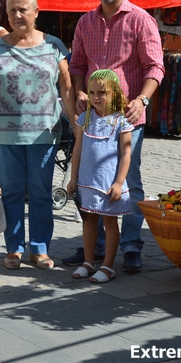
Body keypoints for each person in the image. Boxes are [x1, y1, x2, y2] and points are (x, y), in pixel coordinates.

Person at [66, 0, 164, 273]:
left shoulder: (141, 21)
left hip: (127, 118)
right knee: (90, 178)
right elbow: (77, 65)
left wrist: (143, 100)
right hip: (94, 118)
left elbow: (155, 68)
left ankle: (132, 247)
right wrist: (80, 92)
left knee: (129, 180)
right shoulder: (85, 23)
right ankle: (93, 247)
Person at [0, 0, 75, 270]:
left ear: (36, 12)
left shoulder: (54, 46)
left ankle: (40, 249)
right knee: (12, 192)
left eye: (23, 10)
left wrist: (77, 124)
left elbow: (66, 86)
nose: (17, 15)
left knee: (41, 192)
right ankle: (14, 248)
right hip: (4, 136)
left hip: (45, 133)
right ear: (5, 15)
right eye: (11, 11)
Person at [66, 69, 132, 283]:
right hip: (87, 181)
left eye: (102, 92)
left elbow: (126, 153)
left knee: (110, 222)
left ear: (115, 94)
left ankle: (108, 266)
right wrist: (73, 178)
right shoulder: (84, 118)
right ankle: (88, 262)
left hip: (108, 182)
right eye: (92, 92)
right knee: (88, 220)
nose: (96, 97)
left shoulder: (120, 121)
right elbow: (77, 149)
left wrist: (119, 182)